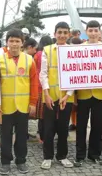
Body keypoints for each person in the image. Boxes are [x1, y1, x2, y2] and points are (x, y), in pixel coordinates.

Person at [0, 28, 38, 175]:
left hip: (23, 105)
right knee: (5, 136)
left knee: (21, 135)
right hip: (5, 107)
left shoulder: (29, 59)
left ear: (22, 43)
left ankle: (21, 161)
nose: (14, 44)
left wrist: (33, 102)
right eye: (11, 41)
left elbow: (34, 83)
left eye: (17, 41)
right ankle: (5, 162)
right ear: (6, 42)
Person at [74, 20, 102, 167]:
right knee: (81, 126)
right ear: (86, 32)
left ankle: (94, 154)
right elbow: (73, 71)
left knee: (97, 126)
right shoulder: (78, 49)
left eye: (95, 30)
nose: (93, 33)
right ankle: (79, 155)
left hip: (100, 94)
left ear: (100, 32)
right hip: (83, 94)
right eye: (90, 30)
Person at [40, 22, 74, 169]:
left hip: (67, 97)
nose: (62, 35)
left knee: (63, 128)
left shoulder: (72, 51)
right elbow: (43, 73)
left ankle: (62, 156)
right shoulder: (47, 50)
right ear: (54, 34)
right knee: (48, 128)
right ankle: (47, 157)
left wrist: (68, 94)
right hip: (50, 96)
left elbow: (75, 74)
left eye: (65, 32)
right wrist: (46, 94)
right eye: (59, 32)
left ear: (69, 35)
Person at [34, 36, 53, 143]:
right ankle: (47, 135)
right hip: (48, 86)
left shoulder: (37, 54)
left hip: (39, 87)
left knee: (41, 115)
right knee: (48, 115)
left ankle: (41, 135)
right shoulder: (49, 53)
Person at [68, 37, 82, 132]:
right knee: (72, 107)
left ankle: (77, 123)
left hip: (80, 86)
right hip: (70, 85)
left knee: (78, 108)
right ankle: (74, 123)